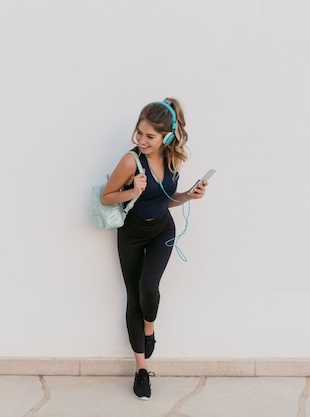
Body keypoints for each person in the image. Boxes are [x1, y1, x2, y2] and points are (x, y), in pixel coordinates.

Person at [100, 98, 209, 400]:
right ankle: (141, 369)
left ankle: (150, 329)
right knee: (134, 296)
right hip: (132, 234)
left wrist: (189, 195)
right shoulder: (129, 161)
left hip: (162, 229)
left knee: (150, 286)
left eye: (150, 136)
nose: (142, 141)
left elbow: (166, 199)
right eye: (139, 133)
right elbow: (106, 197)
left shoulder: (173, 160)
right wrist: (132, 190)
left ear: (167, 137)